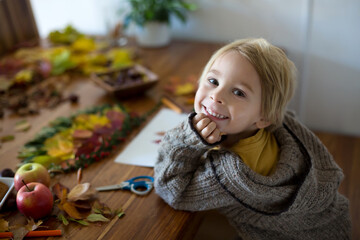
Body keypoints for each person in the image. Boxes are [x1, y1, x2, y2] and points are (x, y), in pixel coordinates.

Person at [154, 38, 351, 239]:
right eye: (213, 81)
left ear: (264, 117)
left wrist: (187, 139)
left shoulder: (232, 174)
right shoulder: (263, 129)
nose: (216, 96)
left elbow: (171, 189)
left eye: (239, 93)